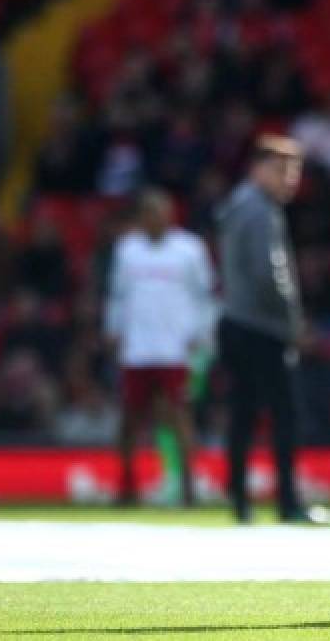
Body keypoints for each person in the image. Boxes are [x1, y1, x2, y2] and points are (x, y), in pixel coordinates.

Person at [216, 133, 309, 524]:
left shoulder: (239, 204)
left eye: (294, 170)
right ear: (257, 169)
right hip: (261, 328)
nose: (289, 178)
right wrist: (293, 323)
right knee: (284, 415)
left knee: (243, 414)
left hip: (237, 321)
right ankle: (287, 502)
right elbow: (269, 275)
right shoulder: (259, 210)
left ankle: (240, 500)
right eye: (280, 169)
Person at [104, 188, 216, 506]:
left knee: (178, 416)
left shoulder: (189, 250)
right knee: (130, 418)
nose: (157, 218)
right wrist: (113, 329)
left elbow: (205, 296)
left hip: (174, 348)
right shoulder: (127, 251)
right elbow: (117, 295)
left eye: (162, 212)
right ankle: (127, 485)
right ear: (141, 217)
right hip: (137, 349)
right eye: (150, 213)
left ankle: (189, 487)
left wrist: (202, 334)